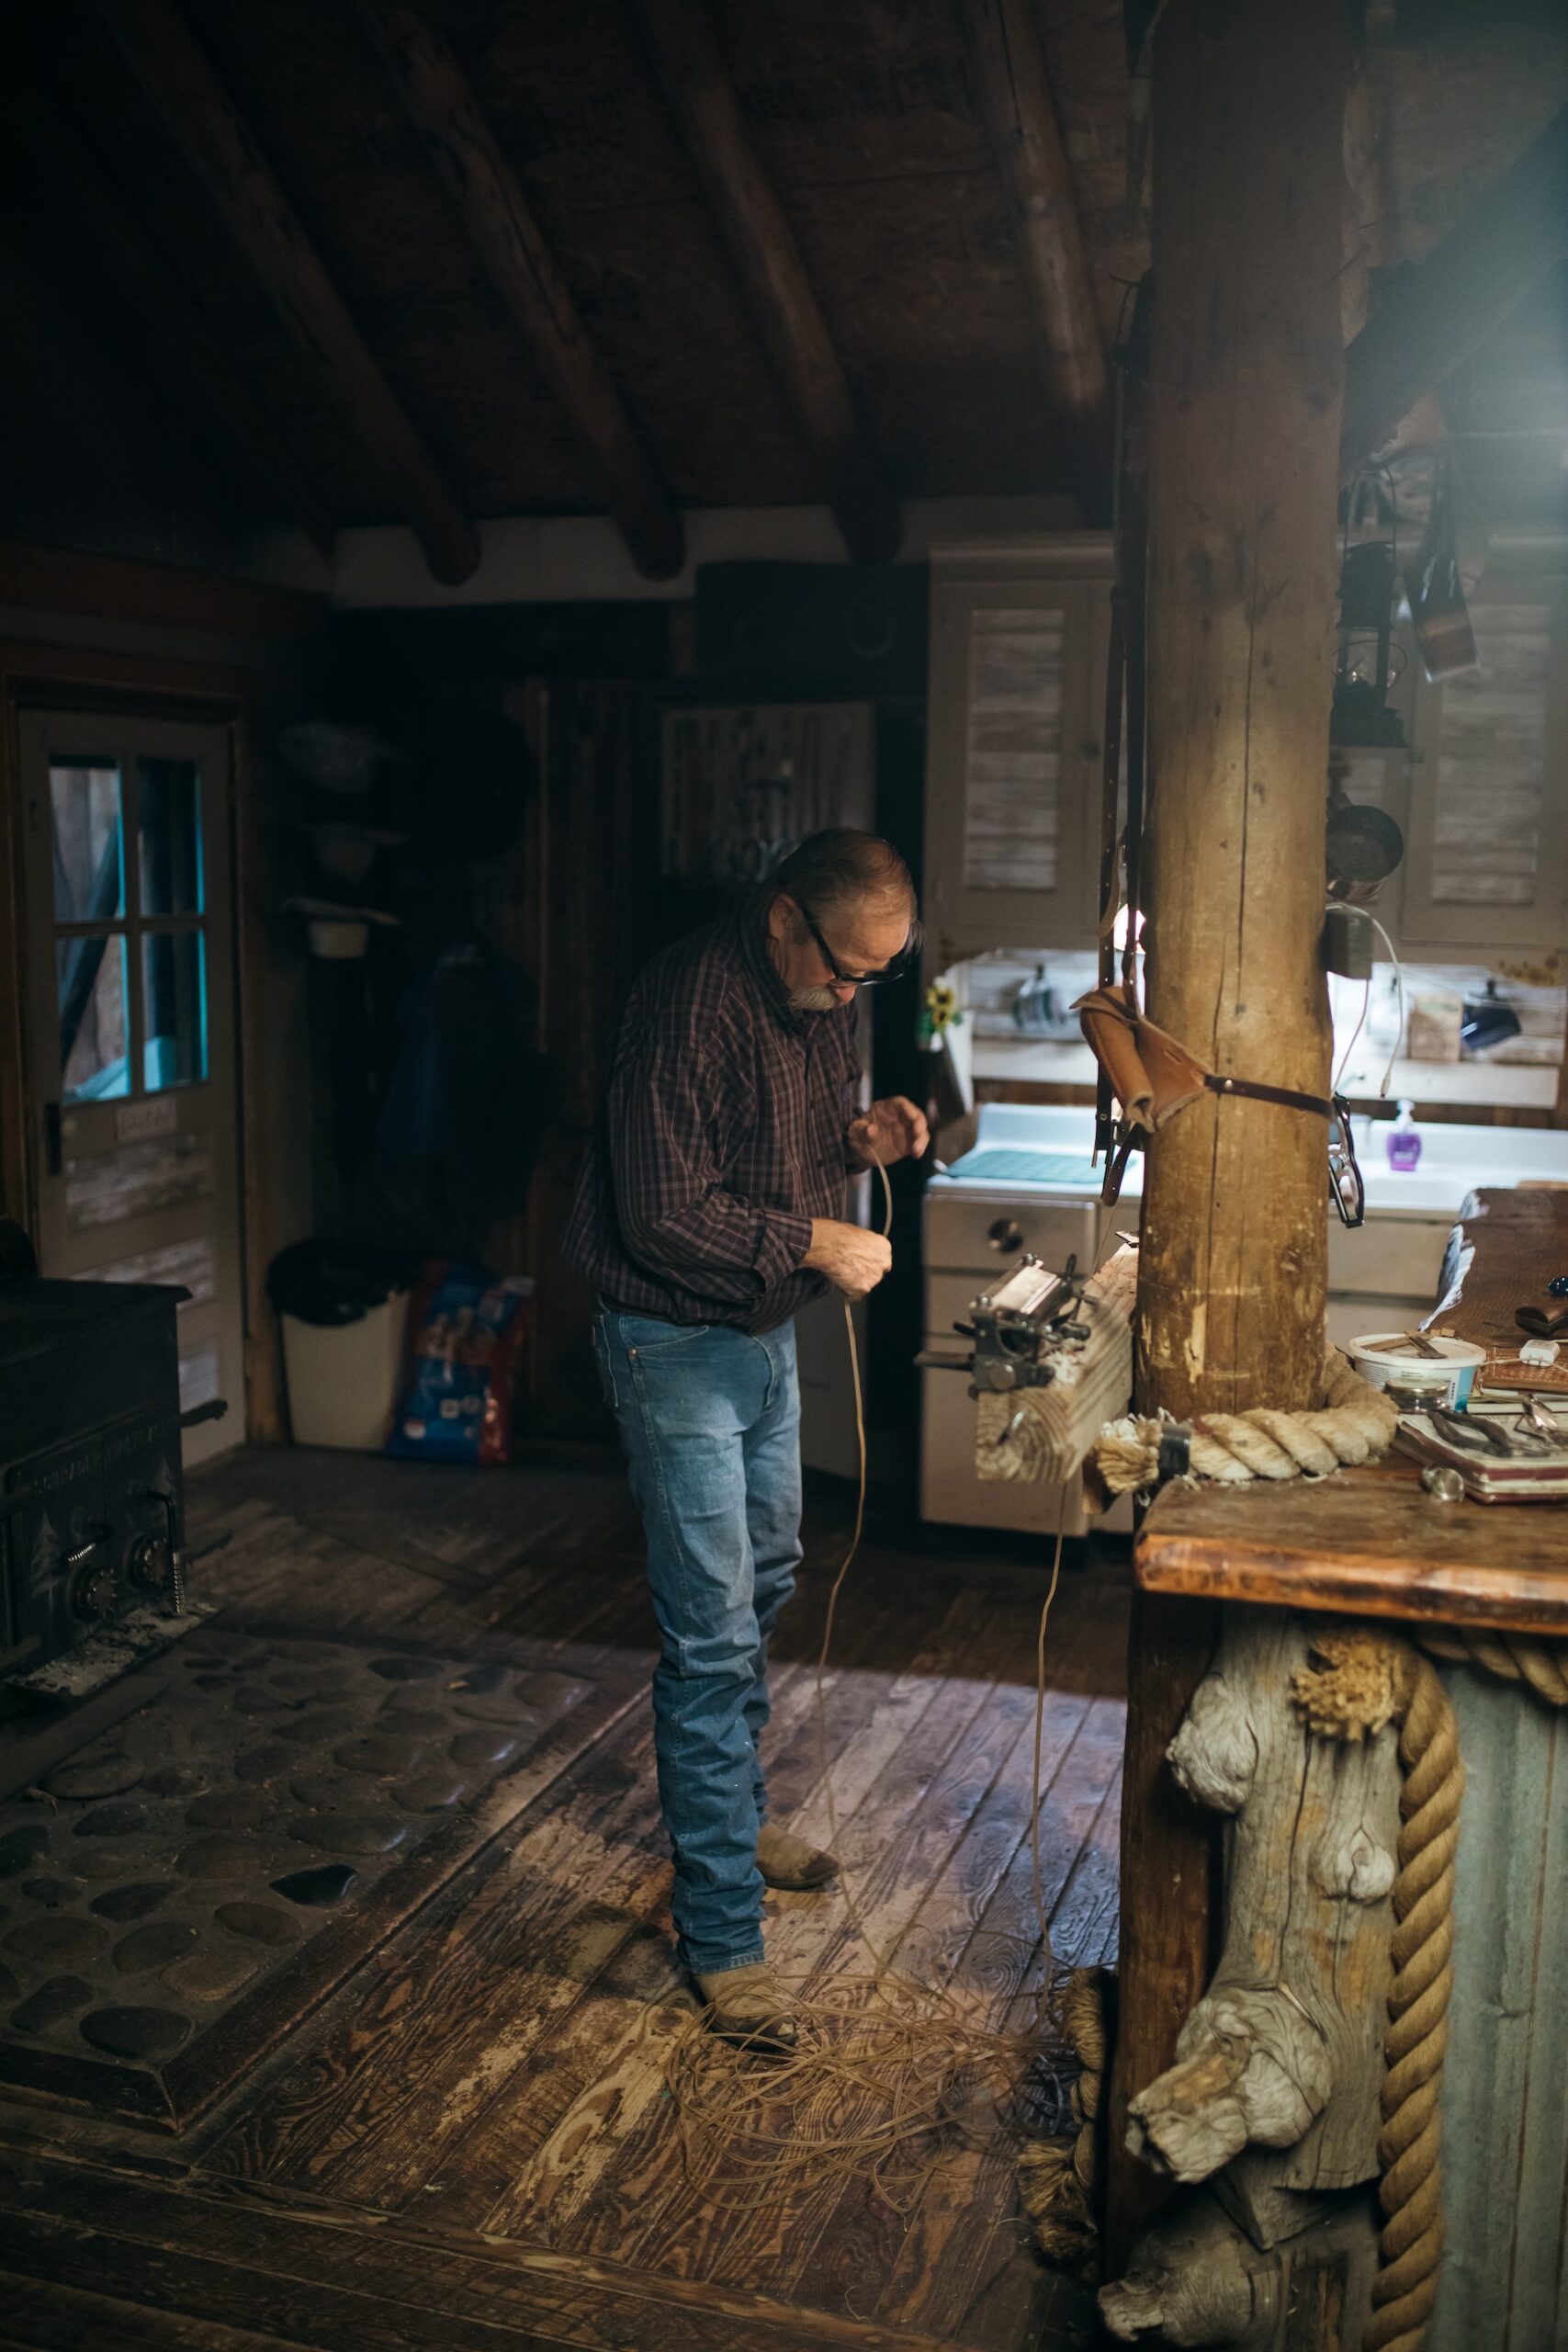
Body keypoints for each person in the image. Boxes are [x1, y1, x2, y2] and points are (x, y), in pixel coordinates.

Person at [561, 830, 930, 2050]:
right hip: (671, 1341)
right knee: (711, 1635)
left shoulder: (812, 993)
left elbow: (776, 1154)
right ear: (785, 920)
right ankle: (721, 1932)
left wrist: (858, 1145)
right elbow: (664, 1213)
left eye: (882, 972)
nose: (858, 991)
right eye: (850, 969)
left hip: (759, 1334)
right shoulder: (687, 1005)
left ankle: (732, 1809)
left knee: (769, 1576)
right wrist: (820, 1243)